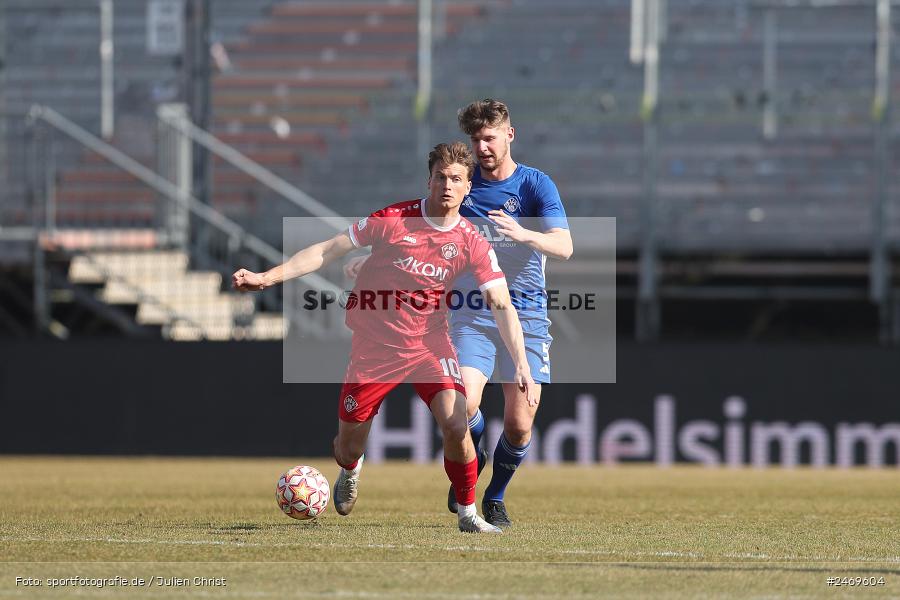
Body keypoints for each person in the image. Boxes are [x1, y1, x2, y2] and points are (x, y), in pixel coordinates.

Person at [233, 141, 537, 534]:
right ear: (429, 180)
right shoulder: (393, 219)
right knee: (348, 445)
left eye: (456, 179)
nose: (447, 185)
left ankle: (467, 514)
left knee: (457, 423)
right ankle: (351, 468)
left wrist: (523, 363)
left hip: (430, 344)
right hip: (374, 347)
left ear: (467, 188)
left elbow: (501, 302)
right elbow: (327, 250)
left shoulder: (471, 241)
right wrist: (266, 277)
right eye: (441, 177)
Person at [345, 99, 572, 528]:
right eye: (476, 139)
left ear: (509, 135)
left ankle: (496, 497)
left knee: (521, 425)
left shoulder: (536, 185)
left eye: (490, 137)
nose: (483, 147)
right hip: (471, 314)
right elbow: (418, 225)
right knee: (463, 404)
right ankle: (473, 452)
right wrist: (373, 259)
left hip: (527, 318)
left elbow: (565, 246)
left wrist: (523, 233)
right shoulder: (462, 184)